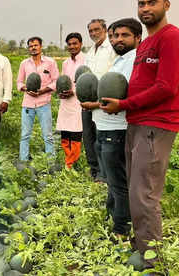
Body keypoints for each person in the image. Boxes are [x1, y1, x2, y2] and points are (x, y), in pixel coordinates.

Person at [101, 0, 179, 271]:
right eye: (142, 3)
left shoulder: (170, 38)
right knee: (135, 190)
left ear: (166, 5)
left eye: (152, 2)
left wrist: (123, 105)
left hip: (155, 125)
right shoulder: (145, 43)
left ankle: (153, 257)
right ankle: (141, 242)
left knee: (144, 193)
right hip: (137, 124)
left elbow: (166, 87)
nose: (146, 8)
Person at [94, 18, 142, 237]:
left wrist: (95, 104)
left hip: (117, 129)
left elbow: (126, 97)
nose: (117, 39)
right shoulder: (120, 60)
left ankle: (121, 229)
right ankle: (113, 214)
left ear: (137, 38)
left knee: (119, 182)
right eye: (114, 35)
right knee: (112, 180)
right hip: (104, 127)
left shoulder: (135, 62)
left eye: (124, 35)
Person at [81, 19, 117, 182]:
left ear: (104, 29)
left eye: (97, 30)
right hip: (88, 102)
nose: (93, 33)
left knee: (101, 138)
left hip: (104, 102)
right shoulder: (90, 52)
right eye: (90, 31)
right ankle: (94, 169)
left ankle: (104, 173)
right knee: (88, 138)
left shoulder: (111, 49)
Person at [17, 37, 59, 161]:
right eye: (31, 46)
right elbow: (19, 82)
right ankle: (23, 161)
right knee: (25, 135)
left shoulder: (50, 62)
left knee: (48, 135)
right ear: (28, 48)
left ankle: (50, 162)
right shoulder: (24, 64)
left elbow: (56, 81)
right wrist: (26, 89)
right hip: (27, 104)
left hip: (44, 103)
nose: (33, 48)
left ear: (41, 46)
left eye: (35, 45)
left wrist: (42, 91)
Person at [56, 32, 85, 169]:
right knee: (65, 132)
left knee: (76, 133)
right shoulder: (65, 63)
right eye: (70, 44)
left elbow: (87, 82)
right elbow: (63, 81)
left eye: (75, 43)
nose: (72, 46)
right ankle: (68, 160)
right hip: (65, 103)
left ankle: (72, 162)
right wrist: (60, 91)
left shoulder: (86, 60)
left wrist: (73, 91)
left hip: (78, 102)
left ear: (80, 44)